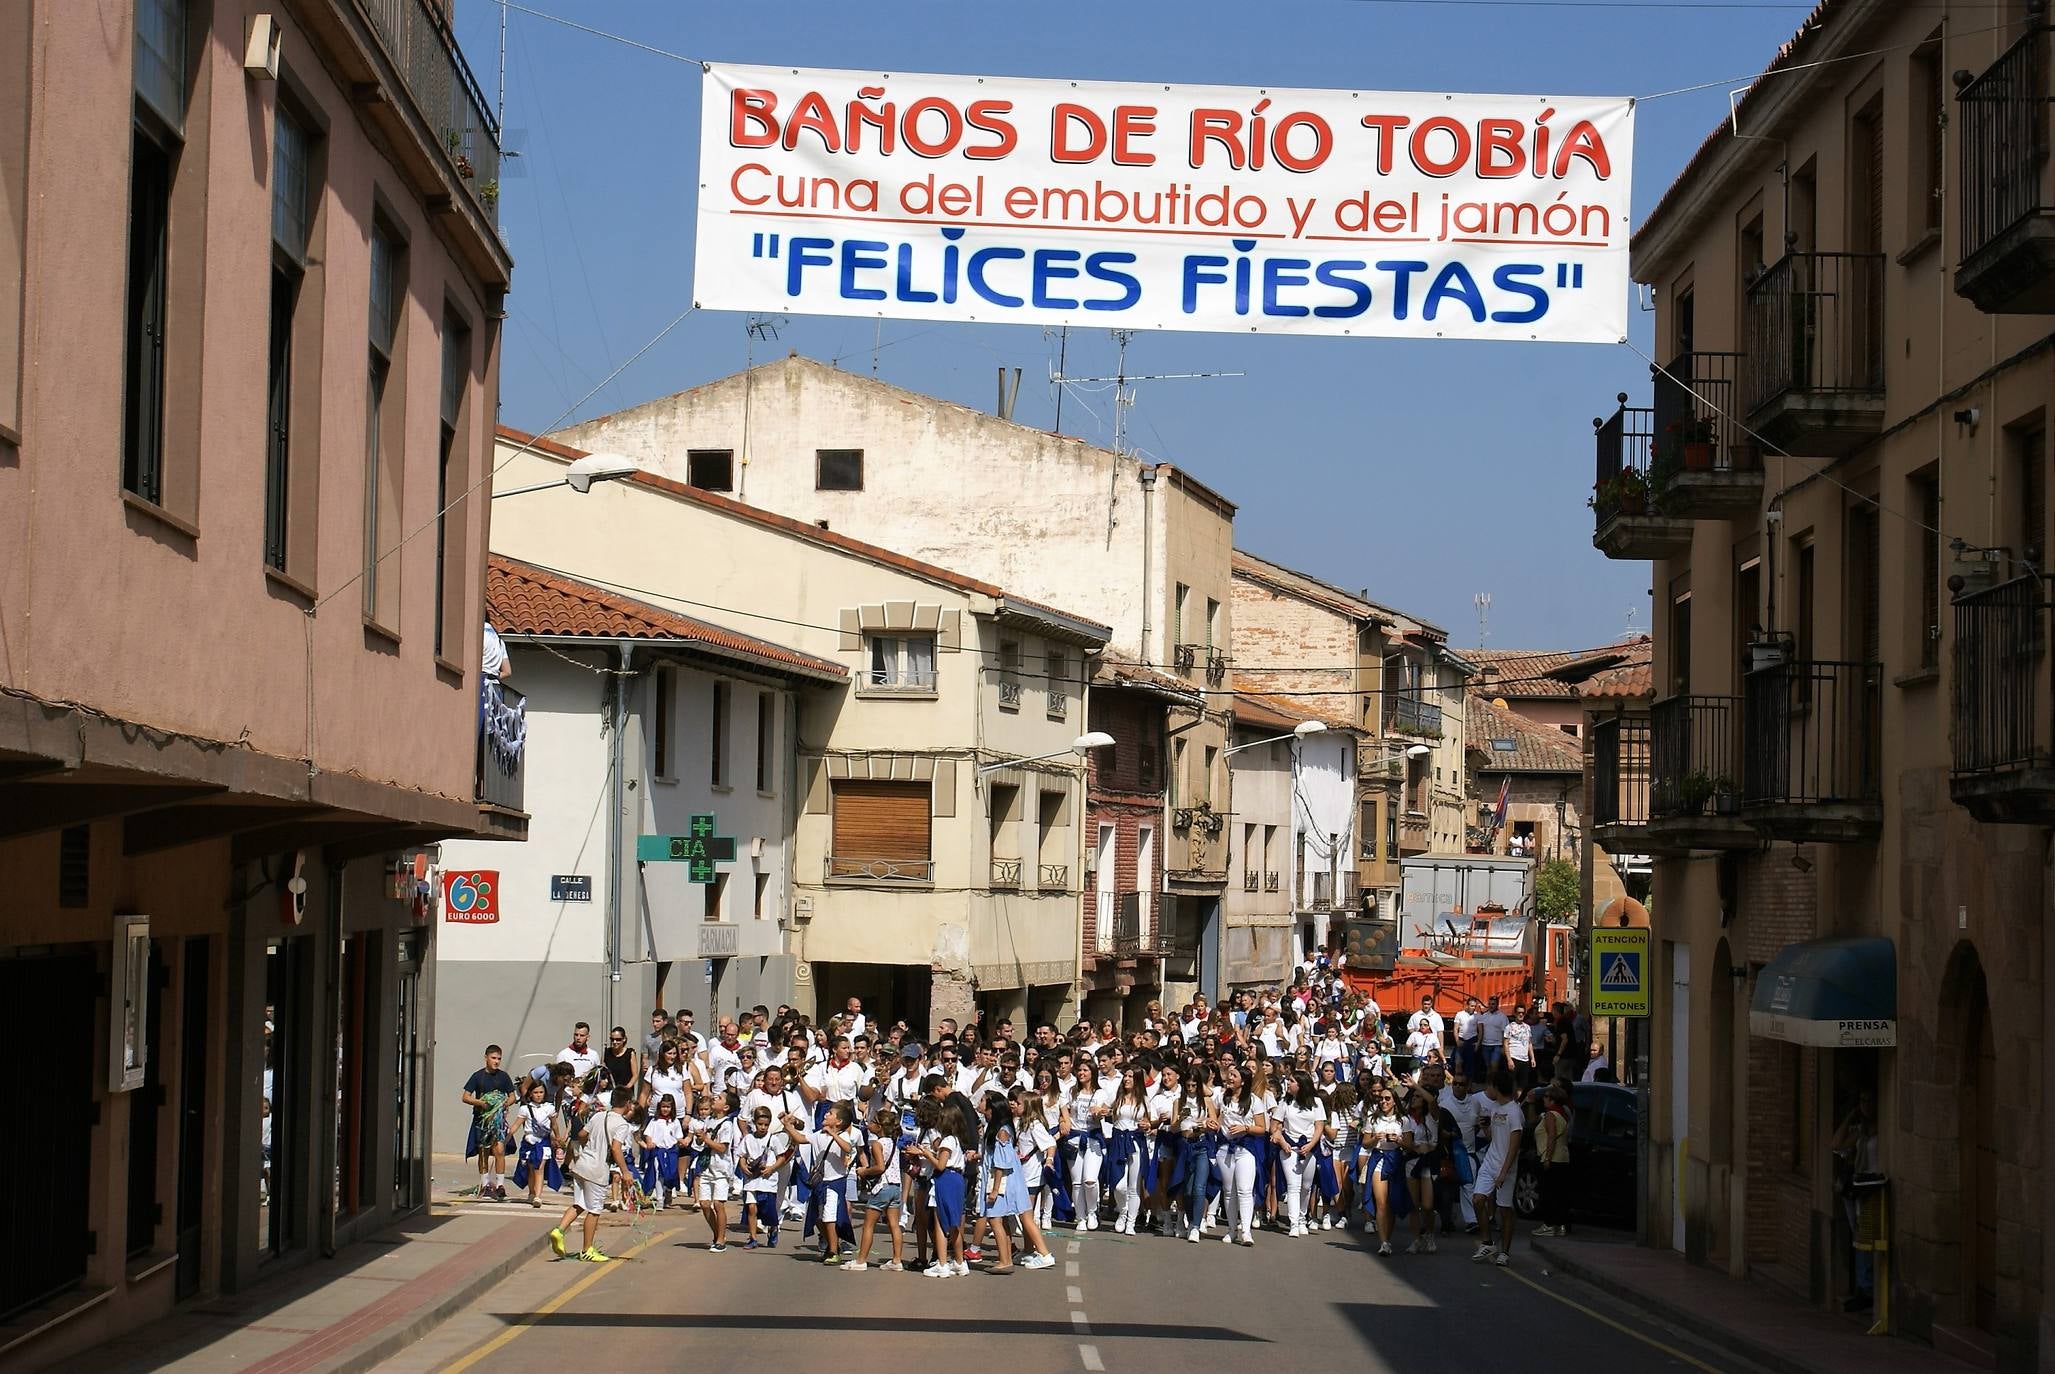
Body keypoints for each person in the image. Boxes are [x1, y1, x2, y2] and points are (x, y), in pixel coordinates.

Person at [549, 1085, 634, 1263]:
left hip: (582, 1164)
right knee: (594, 1210)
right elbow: (616, 1149)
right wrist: (626, 1172)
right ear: (627, 1104)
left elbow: (581, 1134)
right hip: (597, 1170)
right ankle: (587, 1249)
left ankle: (559, 1230)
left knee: (579, 1204)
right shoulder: (622, 1124)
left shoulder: (598, 1116)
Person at [1470, 1068, 1524, 1267]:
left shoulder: (1514, 1112)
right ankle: (1487, 1242)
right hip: (1490, 1162)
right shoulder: (1494, 1109)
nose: (1487, 1089)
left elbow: (1514, 1145)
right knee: (1478, 1200)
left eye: (1490, 1085)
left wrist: (1503, 1172)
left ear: (1497, 1088)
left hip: (1506, 1168)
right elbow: (1495, 1139)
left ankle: (1505, 1252)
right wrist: (1484, 1127)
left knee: (1504, 1209)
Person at [1271, 1069, 1330, 1239]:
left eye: (1291, 1081)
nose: (1288, 1083)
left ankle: (1303, 1217)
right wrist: (1281, 1140)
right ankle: (1294, 1223)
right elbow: (1274, 1126)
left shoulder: (1316, 1102)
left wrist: (1311, 1144)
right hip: (1289, 1149)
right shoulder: (1285, 1103)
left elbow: (1319, 1126)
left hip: (1309, 1148)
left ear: (1301, 1084)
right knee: (1293, 1186)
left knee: (1306, 1186)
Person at [846, 1106, 905, 1272]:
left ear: (879, 1127)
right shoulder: (893, 1143)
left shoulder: (877, 1144)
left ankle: (861, 1260)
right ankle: (896, 1260)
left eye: (873, 1122)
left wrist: (864, 1171)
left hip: (883, 1186)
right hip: (895, 1186)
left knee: (868, 1225)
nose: (869, 1124)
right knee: (894, 1224)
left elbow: (879, 1167)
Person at [1215, 1061, 1267, 1247]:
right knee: (1228, 1191)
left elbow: (1262, 1128)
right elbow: (1214, 1117)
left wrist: (1245, 1127)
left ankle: (1246, 1231)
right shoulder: (1221, 1098)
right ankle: (1231, 1229)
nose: (1229, 1078)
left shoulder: (1254, 1101)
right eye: (1229, 1075)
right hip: (1225, 1148)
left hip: (1246, 1148)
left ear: (1243, 1081)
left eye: (1234, 1076)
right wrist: (1212, 1124)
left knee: (1245, 1189)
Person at [461, 1044, 516, 1201]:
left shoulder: (504, 1076)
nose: (496, 1061)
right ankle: (485, 1185)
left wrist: (505, 1103)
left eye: (499, 1058)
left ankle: (500, 1186)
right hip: (482, 1120)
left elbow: (512, 1096)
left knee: (499, 1150)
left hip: (498, 1122)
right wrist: (481, 1103)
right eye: (493, 1058)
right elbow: (465, 1097)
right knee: (483, 1152)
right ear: (486, 1058)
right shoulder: (477, 1076)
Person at [737, 1106, 794, 1246]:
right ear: (754, 1123)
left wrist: (771, 1168)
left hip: (768, 1181)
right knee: (751, 1207)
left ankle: (773, 1228)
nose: (763, 1127)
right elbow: (742, 1155)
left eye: (766, 1125)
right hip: (751, 1179)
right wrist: (743, 1166)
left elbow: (781, 1157)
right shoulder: (748, 1139)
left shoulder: (773, 1139)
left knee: (768, 1210)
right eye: (760, 1124)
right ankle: (753, 1238)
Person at [1361, 1083, 1407, 1257]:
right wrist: (1374, 1139)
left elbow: (1410, 1144)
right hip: (1378, 1158)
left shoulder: (1403, 1120)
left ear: (1395, 1101)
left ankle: (1388, 1236)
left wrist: (1399, 1141)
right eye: (1381, 1098)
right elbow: (1365, 1143)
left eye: (1388, 1098)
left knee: (1391, 1202)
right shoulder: (1373, 1119)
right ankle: (1384, 1242)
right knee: (1381, 1202)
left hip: (1395, 1159)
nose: (1384, 1101)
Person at [1401, 1088, 1442, 1253]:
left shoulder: (1431, 1117)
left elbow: (1432, 1101)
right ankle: (1416, 1239)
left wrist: (1416, 1086)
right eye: (1413, 1096)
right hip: (1412, 1162)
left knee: (1427, 1205)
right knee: (1414, 1205)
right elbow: (1409, 1143)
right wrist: (1413, 1146)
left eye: (1418, 1097)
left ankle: (1429, 1234)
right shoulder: (1406, 1119)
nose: (1415, 1099)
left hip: (1428, 1163)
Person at [510, 1077, 560, 1208]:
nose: (539, 1095)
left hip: (543, 1142)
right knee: (531, 1168)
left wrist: (558, 1138)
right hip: (529, 1142)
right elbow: (516, 1125)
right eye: (536, 1092)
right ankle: (532, 1193)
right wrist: (506, 1137)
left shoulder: (549, 1108)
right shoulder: (525, 1109)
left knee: (540, 1167)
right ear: (531, 1094)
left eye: (541, 1092)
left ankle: (538, 1196)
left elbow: (554, 1125)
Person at [1531, 1084, 1572, 1238]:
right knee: (1559, 1193)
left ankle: (1548, 1224)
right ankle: (1560, 1225)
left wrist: (1547, 1157)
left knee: (1548, 1193)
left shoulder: (1550, 1114)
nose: (1544, 1100)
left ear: (1552, 1099)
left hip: (1552, 1158)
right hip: (1563, 1157)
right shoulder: (1563, 1114)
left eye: (1546, 1097)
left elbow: (1551, 1137)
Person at [1502, 1004, 1535, 1094]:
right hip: (1514, 1058)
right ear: (1515, 1013)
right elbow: (1505, 1043)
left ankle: (1518, 1104)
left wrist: (1532, 1058)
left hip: (1525, 1060)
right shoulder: (1509, 1027)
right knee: (1512, 1083)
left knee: (1522, 1085)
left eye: (1523, 1013)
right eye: (1519, 1013)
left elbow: (1529, 1043)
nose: (1521, 1015)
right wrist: (1509, 1060)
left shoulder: (1528, 1027)